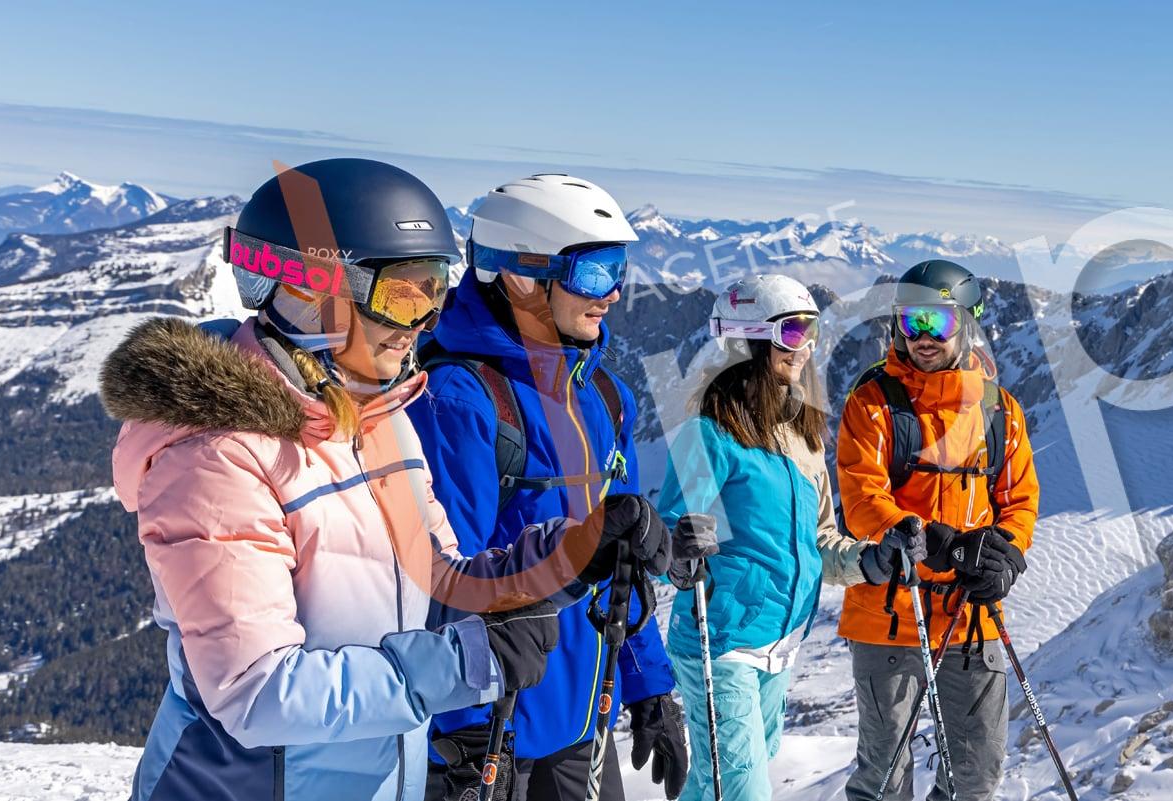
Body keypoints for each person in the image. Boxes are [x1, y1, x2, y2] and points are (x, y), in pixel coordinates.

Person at [103, 158, 670, 801]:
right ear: (311, 293)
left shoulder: (378, 423)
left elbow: (442, 581)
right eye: (404, 293)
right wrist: (463, 664)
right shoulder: (216, 458)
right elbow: (256, 692)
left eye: (435, 290)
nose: (426, 322)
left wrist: (570, 555)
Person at [410, 173, 687, 801]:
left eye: (619, 268)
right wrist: (463, 737)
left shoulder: (602, 394)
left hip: (582, 727)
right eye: (593, 272)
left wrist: (648, 688)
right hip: (492, 739)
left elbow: (624, 565)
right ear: (520, 274)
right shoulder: (462, 401)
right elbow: (446, 585)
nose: (614, 293)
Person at [655, 274, 896, 801]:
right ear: (749, 339)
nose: (805, 348)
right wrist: (678, 554)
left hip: (779, 645)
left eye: (811, 333)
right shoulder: (711, 432)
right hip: (721, 642)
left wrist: (871, 561)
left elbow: (821, 541)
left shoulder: (804, 433)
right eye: (791, 334)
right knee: (742, 790)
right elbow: (665, 533)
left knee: (717, 781)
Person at [834, 260, 1041, 801]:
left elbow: (1018, 500)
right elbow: (862, 498)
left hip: (972, 614)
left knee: (975, 775)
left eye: (938, 322)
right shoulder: (872, 402)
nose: (922, 337)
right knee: (884, 778)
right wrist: (939, 541)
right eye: (910, 321)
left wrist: (1006, 557)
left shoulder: (1000, 411)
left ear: (966, 323)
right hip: (890, 615)